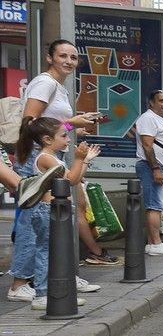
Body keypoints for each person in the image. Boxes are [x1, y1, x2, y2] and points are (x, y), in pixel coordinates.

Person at [20, 38, 118, 266]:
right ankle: (22, 282)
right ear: (49, 58)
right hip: (39, 155)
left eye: (73, 57)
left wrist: (74, 127)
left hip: (51, 154)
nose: (69, 61)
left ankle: (52, 276)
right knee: (33, 219)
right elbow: (30, 123)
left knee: (51, 217)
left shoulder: (58, 86)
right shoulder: (45, 83)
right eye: (63, 56)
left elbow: (52, 127)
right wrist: (70, 124)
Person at [9, 117, 100, 310]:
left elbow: (73, 179)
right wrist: (79, 158)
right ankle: (43, 294)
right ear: (47, 139)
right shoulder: (45, 158)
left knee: (57, 252)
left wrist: (84, 161)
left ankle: (56, 293)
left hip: (57, 211)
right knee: (47, 252)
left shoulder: (52, 157)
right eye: (64, 135)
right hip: (47, 210)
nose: (68, 139)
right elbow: (71, 180)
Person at [135, 90, 163, 256]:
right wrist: (155, 169)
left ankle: (152, 242)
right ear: (151, 103)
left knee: (158, 205)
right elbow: (147, 145)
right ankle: (155, 243)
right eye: (161, 101)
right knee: (154, 205)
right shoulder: (148, 118)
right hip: (152, 167)